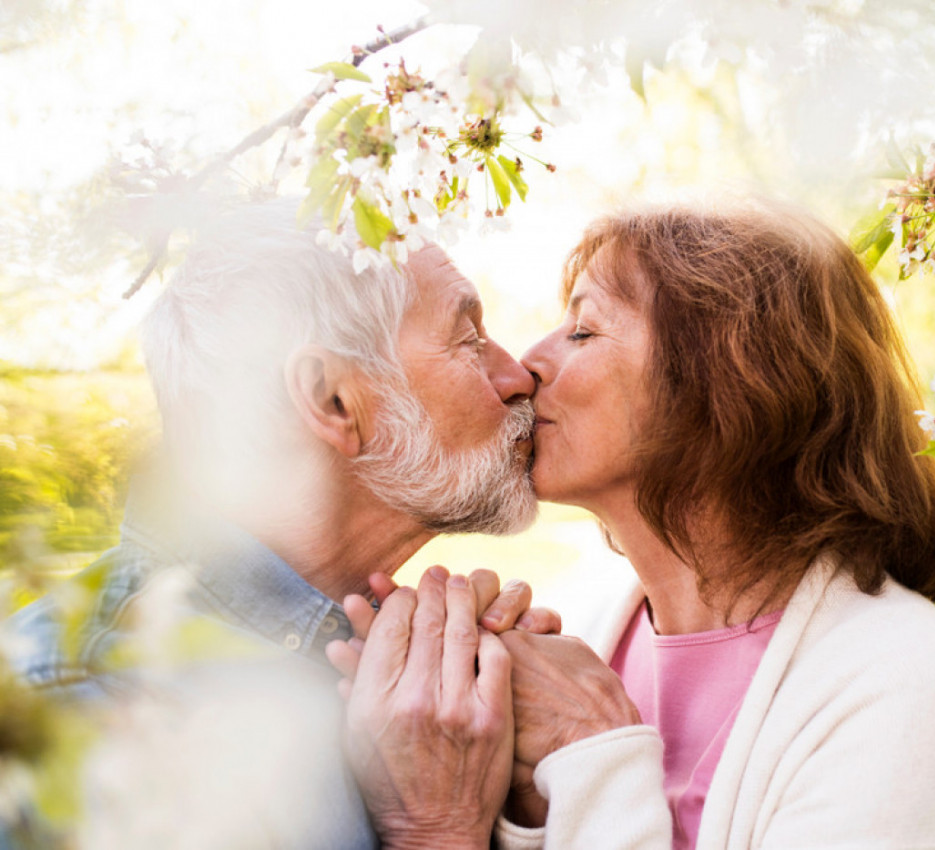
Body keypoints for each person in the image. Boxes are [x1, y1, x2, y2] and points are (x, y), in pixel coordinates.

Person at [336, 199, 935, 849]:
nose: (526, 365)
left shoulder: (896, 676)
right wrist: (523, 795)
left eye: (584, 331)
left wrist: (586, 751)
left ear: (729, 385)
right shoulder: (578, 630)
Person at [1, 199, 557, 849]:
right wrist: (437, 831)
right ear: (332, 399)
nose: (516, 375)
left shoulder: (420, 671)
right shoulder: (86, 705)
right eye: (468, 339)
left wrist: (530, 805)